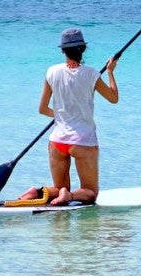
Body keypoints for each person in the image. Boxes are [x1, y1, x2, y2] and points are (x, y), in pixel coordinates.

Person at [15, 27, 119, 207]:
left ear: (63, 50)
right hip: (83, 141)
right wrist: (110, 72)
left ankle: (38, 192)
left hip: (57, 141)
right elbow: (113, 98)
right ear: (83, 49)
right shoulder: (92, 74)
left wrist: (62, 117)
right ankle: (68, 196)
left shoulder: (51, 72)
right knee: (91, 192)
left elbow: (42, 108)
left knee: (59, 187)